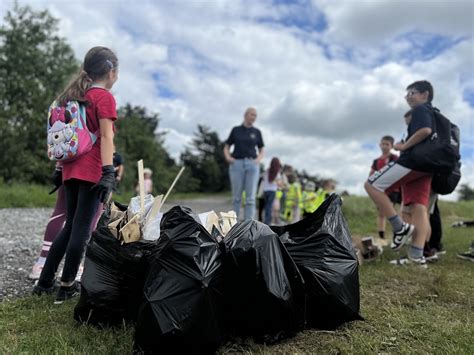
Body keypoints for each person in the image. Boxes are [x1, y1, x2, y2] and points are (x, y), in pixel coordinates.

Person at [33, 46, 119, 303]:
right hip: (92, 171)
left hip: (69, 170)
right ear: (111, 71)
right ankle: (67, 285)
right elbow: (106, 137)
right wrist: (108, 172)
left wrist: (59, 170)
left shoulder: (74, 97)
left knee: (69, 226)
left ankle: (44, 282)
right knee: (81, 230)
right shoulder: (103, 98)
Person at [365, 80, 435, 267]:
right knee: (420, 208)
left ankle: (399, 227)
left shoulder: (421, 109)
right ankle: (416, 257)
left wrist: (403, 145)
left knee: (371, 185)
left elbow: (425, 130)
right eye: (407, 94)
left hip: (414, 161)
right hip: (429, 165)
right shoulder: (435, 113)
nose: (408, 97)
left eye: (411, 93)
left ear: (425, 94)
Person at [224, 107, 265, 220]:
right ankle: (233, 224)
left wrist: (258, 160)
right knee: (236, 197)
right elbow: (226, 147)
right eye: (252, 114)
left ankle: (249, 225)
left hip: (252, 164)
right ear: (246, 115)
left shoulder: (257, 132)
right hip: (237, 164)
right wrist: (228, 157)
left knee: (250, 198)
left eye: (255, 115)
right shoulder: (236, 130)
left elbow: (262, 149)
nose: (254, 117)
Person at [370, 136, 400, 239]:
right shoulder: (376, 161)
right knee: (381, 213)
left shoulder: (395, 158)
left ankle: (397, 233)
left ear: (391, 146)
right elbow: (371, 174)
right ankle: (381, 236)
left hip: (393, 189)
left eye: (387, 144)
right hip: (380, 190)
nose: (384, 146)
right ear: (379, 144)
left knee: (390, 212)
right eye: (383, 144)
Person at [262, 157, 282, 225]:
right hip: (272, 191)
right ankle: (268, 222)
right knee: (269, 206)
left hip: (265, 190)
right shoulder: (277, 172)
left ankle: (266, 220)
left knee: (267, 206)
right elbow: (279, 184)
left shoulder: (267, 171)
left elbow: (264, 179)